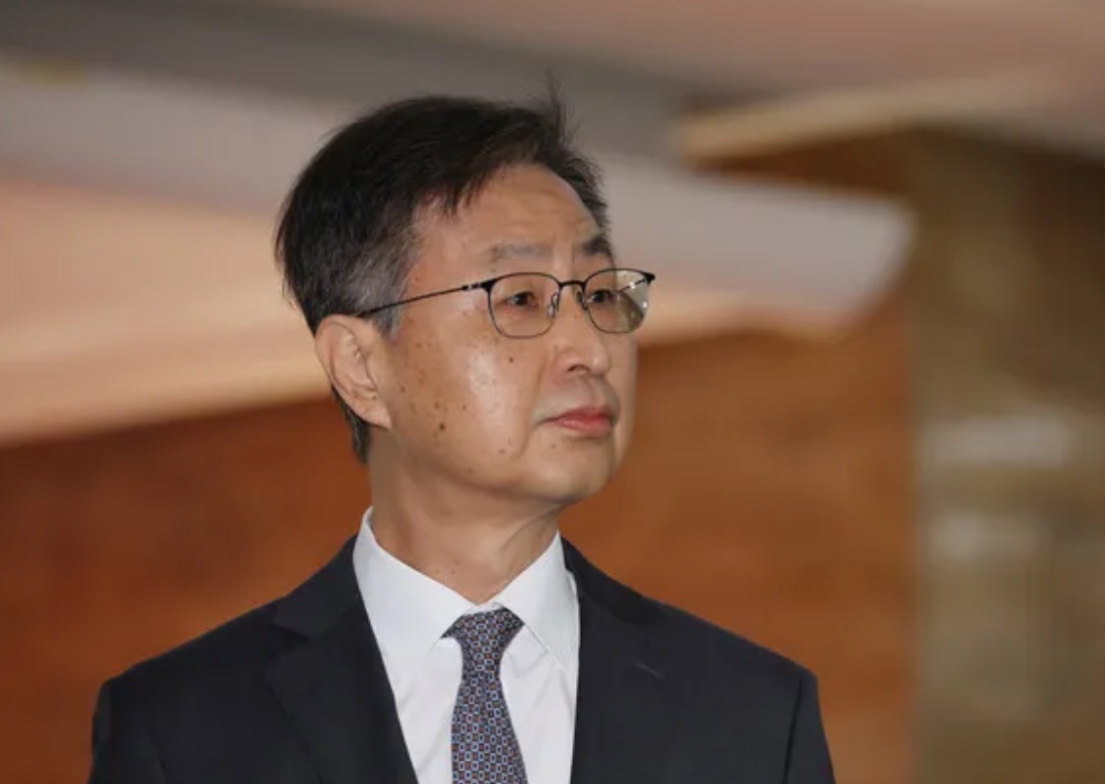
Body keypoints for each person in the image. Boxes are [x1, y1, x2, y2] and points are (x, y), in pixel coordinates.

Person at [86, 93, 835, 784]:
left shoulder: (753, 715)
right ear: (361, 367)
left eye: (601, 293)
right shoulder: (184, 730)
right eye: (521, 298)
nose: (591, 348)